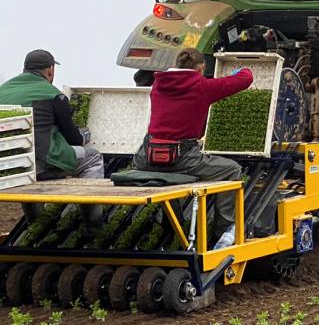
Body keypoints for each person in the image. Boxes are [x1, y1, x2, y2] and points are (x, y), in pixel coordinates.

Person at [133, 47, 253, 250]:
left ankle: (171, 226)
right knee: (231, 169)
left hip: (147, 156)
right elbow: (245, 79)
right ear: (201, 68)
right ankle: (225, 229)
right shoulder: (202, 86)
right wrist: (240, 70)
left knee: (165, 180)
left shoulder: (158, 85)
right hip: (182, 157)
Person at [0, 49, 104, 180]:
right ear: (50, 70)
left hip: (7, 164)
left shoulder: (3, 90)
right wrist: (84, 136)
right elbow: (73, 139)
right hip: (41, 164)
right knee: (93, 158)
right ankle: (83, 200)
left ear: (24, 68)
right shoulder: (54, 95)